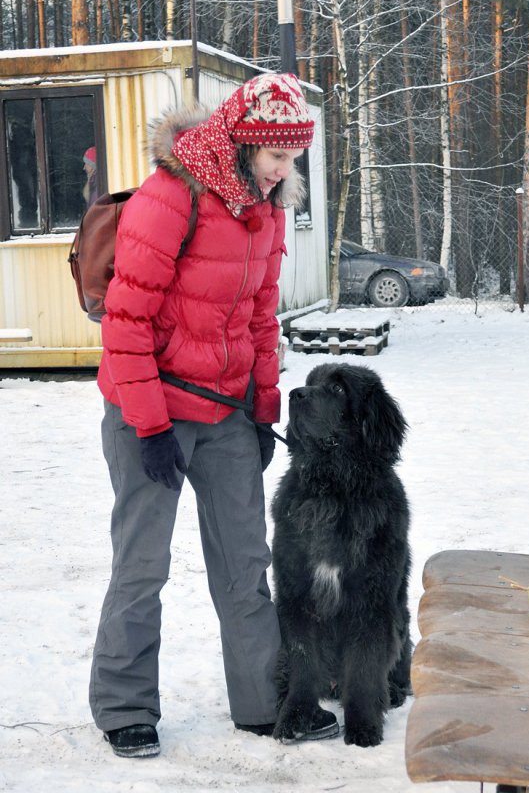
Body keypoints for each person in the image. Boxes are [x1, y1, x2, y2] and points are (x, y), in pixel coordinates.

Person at [89, 72, 339, 758]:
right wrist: (149, 426)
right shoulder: (171, 196)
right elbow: (127, 321)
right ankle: (124, 707)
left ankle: (266, 700)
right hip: (150, 410)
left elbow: (261, 315)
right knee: (142, 565)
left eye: (293, 158)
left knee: (245, 564)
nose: (285, 171)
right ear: (243, 142)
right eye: (277, 156)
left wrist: (262, 410)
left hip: (225, 411)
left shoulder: (269, 207)